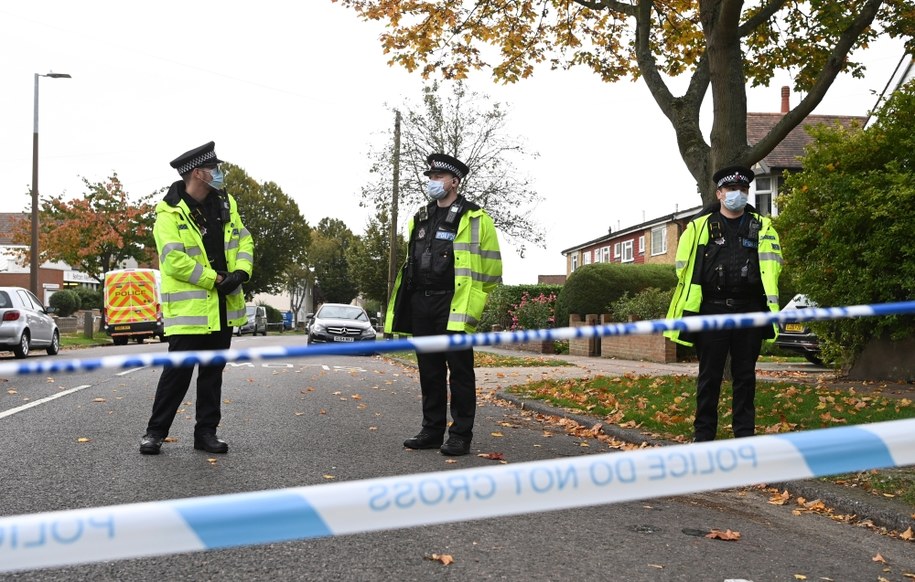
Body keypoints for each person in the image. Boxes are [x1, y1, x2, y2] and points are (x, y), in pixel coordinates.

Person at [140, 141, 254, 455]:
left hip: (222, 307)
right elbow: (174, 261)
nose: (220, 173)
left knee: (212, 375)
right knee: (176, 375)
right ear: (199, 173)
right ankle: (155, 433)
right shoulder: (169, 212)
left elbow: (243, 239)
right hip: (190, 310)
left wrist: (241, 273)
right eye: (215, 169)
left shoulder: (226, 204)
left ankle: (206, 434)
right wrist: (216, 279)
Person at [385, 153, 502, 456]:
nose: (432, 182)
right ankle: (432, 430)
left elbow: (491, 272)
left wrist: (474, 299)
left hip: (455, 302)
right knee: (429, 370)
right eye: (430, 177)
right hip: (422, 302)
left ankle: (460, 434)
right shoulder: (421, 217)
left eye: (438, 177)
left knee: (460, 371)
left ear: (455, 182)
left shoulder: (475, 218)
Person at [664, 165, 782, 442]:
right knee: (709, 376)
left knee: (745, 377)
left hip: (750, 309)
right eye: (731, 189)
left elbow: (773, 267)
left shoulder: (763, 227)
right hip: (712, 308)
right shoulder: (698, 227)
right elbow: (683, 268)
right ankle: (703, 436)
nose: (737, 194)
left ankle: (744, 437)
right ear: (719, 193)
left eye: (743, 189)